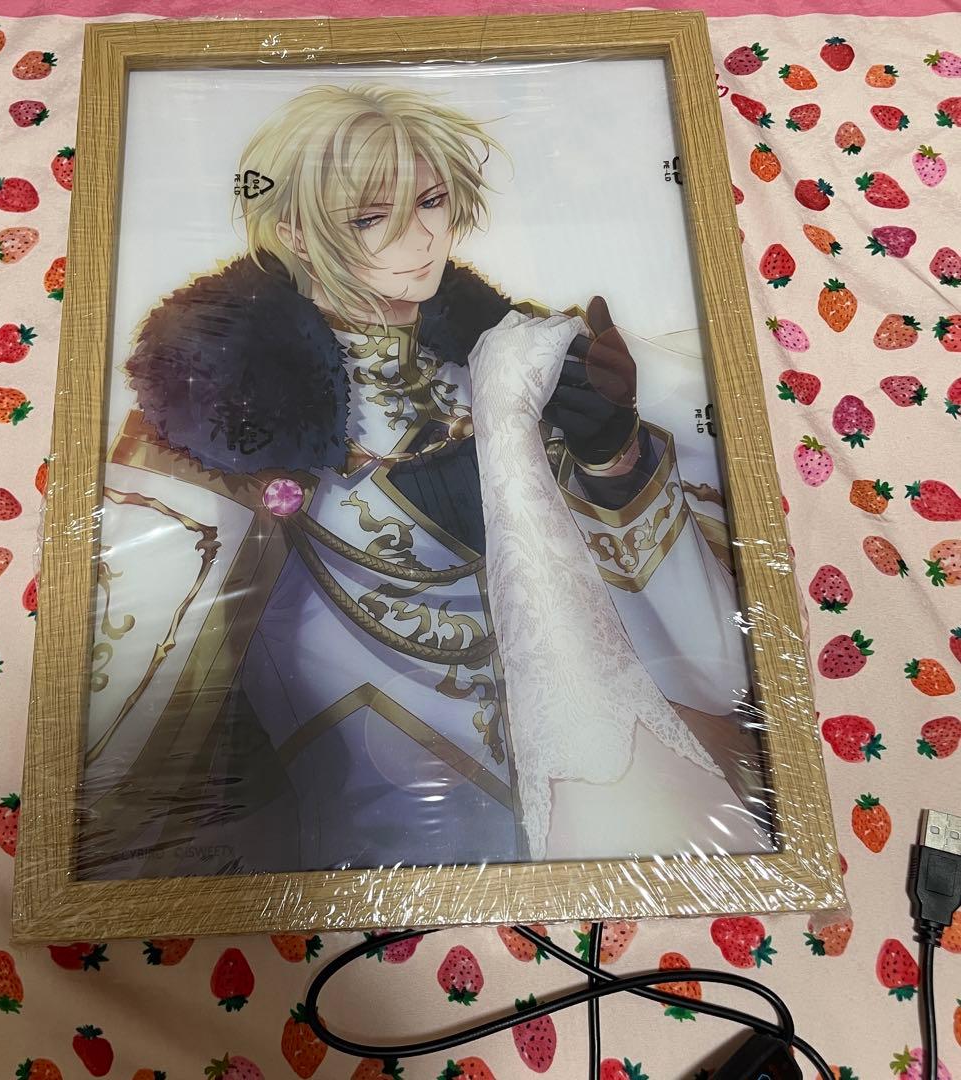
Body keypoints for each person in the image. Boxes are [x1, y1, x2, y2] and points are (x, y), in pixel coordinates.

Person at [105, 83, 771, 875]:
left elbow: (667, 604)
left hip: (595, 733)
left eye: (430, 202)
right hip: (382, 748)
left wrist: (612, 453)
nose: (419, 238)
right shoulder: (227, 401)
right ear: (295, 233)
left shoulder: (512, 351)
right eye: (368, 218)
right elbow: (153, 635)